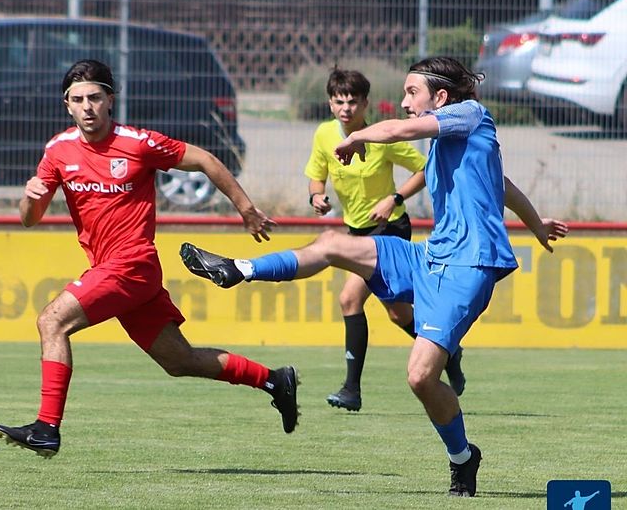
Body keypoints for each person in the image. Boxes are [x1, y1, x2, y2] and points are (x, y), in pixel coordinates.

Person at [180, 57, 569, 496]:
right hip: (429, 257)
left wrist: (358, 135)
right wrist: (537, 225)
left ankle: (463, 456)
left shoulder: (470, 114)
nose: (403, 103)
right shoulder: (454, 139)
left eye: (410, 93)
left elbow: (400, 132)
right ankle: (239, 269)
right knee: (332, 243)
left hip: (468, 268)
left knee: (421, 377)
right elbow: (503, 184)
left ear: (440, 97)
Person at [0, 59, 299, 458]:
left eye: (95, 98)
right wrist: (30, 199)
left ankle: (47, 428)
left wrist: (246, 209)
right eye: (78, 99)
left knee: (52, 321)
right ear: (67, 104)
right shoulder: (57, 151)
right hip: (116, 272)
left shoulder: (138, 143)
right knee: (180, 360)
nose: (88, 107)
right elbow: (29, 220)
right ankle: (275, 380)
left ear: (110, 101)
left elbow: (205, 159)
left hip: (132, 264)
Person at [305, 68, 465, 413]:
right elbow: (316, 175)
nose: (345, 108)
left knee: (349, 299)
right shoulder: (323, 135)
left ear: (365, 104)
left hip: (389, 228)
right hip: (356, 231)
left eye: (352, 101)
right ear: (330, 104)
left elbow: (426, 169)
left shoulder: (378, 137)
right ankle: (447, 351)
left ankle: (351, 389)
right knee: (396, 314)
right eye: (338, 101)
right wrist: (316, 197)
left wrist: (394, 197)